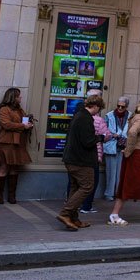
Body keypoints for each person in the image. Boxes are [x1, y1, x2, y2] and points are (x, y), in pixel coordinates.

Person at [59, 95, 102, 231]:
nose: (98, 112)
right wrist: (101, 137)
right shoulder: (85, 118)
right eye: (99, 108)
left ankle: (73, 218)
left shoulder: (79, 115)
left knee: (75, 188)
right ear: (95, 106)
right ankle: (65, 213)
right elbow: (88, 141)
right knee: (87, 186)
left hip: (72, 159)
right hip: (81, 161)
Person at [0, 88, 33, 204]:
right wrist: (22, 126)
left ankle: (12, 195)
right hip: (7, 142)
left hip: (18, 142)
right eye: (18, 96)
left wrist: (29, 123)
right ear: (13, 97)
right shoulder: (4, 109)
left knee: (15, 168)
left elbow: (23, 122)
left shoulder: (20, 110)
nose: (20, 98)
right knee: (4, 167)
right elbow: (6, 124)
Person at [103, 96, 131, 202]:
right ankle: (109, 194)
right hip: (112, 145)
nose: (119, 108)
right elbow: (103, 130)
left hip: (124, 147)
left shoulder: (130, 116)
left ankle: (119, 194)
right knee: (111, 172)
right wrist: (111, 134)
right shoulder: (109, 115)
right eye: (118, 106)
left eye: (122, 107)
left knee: (121, 172)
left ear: (126, 107)